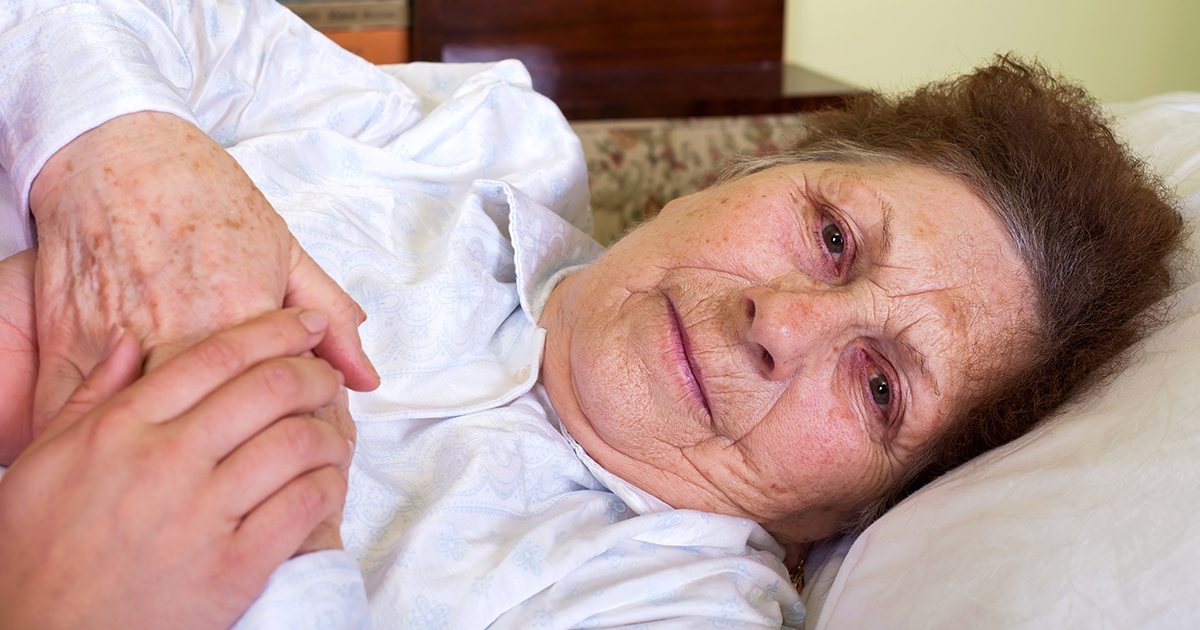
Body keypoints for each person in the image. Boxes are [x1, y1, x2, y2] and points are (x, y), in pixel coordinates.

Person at [0, 1, 1184, 629]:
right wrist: (126, 149)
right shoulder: (474, 148)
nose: (784, 323)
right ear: (745, 171)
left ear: (862, 507)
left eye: (879, 387)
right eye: (831, 235)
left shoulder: (659, 607)